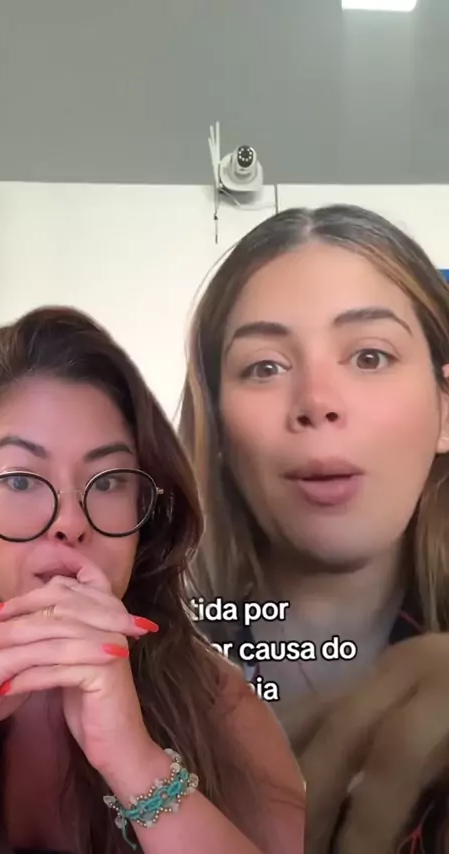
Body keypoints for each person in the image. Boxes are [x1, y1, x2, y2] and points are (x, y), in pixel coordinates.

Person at [0, 306, 305, 854]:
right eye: (21, 480)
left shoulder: (218, 703)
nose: (70, 522)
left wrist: (134, 760)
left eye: (107, 482)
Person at [179, 204, 449, 854]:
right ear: (219, 432)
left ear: (446, 413)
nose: (317, 402)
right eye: (265, 367)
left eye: (371, 356)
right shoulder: (147, 670)